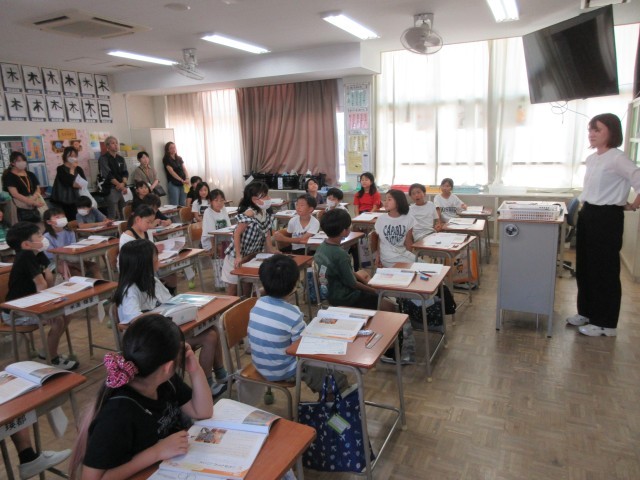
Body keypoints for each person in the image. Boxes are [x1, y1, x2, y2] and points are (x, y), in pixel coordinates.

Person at [69, 314, 213, 479]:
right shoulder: (117, 414)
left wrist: (195, 370)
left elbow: (203, 411)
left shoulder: (165, 381)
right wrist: (156, 452)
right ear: (168, 366)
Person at [113, 240, 227, 396]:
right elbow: (134, 320)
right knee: (210, 336)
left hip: (166, 332)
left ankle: (221, 373)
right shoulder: (129, 290)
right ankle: (207, 385)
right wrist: (161, 315)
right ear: (143, 264)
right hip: (150, 343)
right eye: (155, 259)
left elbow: (170, 301)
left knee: (212, 328)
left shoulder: (151, 279)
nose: (158, 261)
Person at [566, 113, 640, 337]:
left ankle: (606, 323)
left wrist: (632, 205)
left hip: (607, 218)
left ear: (612, 132)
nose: (592, 134)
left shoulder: (617, 158)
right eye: (590, 129)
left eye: (597, 130)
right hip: (588, 213)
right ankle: (586, 312)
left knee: (604, 270)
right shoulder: (593, 158)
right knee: (585, 267)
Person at [248, 254, 348, 394]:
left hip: (260, 365)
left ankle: (324, 395)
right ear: (294, 286)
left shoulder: (257, 304)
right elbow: (302, 349)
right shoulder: (292, 314)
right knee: (335, 376)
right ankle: (329, 401)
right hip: (283, 371)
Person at [3, 222, 78, 369]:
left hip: (31, 303)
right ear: (26, 244)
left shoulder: (37, 252)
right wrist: (46, 309)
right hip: (15, 312)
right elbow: (42, 284)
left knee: (68, 313)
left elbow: (49, 277)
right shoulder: (25, 255)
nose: (43, 238)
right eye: (38, 235)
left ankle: (47, 351)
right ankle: (53, 359)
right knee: (57, 321)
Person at [314, 209, 394, 311]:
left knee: (363, 274)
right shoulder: (340, 254)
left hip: (328, 291)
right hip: (344, 297)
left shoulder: (321, 247)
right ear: (344, 231)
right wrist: (374, 291)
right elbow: (353, 284)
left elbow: (348, 273)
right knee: (390, 306)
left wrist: (367, 284)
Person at [221, 182, 279, 296]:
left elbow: (267, 233)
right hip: (236, 257)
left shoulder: (265, 213)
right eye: (265, 196)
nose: (269, 198)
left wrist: (272, 249)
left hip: (251, 256)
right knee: (233, 290)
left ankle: (247, 306)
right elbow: (236, 234)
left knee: (247, 289)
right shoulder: (249, 213)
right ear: (254, 199)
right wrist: (238, 256)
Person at [43, 208, 102, 279]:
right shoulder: (46, 237)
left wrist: (74, 261)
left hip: (72, 259)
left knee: (94, 266)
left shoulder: (69, 232)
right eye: (57, 217)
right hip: (56, 263)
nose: (61, 219)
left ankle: (100, 284)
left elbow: (73, 248)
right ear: (49, 222)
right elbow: (51, 256)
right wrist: (71, 263)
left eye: (63, 216)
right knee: (75, 272)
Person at [372, 189, 416, 267]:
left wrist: (410, 256)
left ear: (399, 202)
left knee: (424, 266)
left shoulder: (409, 219)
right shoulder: (381, 219)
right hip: (387, 257)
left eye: (389, 199)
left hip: (402, 254)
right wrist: (378, 256)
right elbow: (380, 240)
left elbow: (408, 241)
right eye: (385, 200)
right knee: (420, 267)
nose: (385, 202)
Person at [2, 151, 44, 223]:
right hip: (19, 205)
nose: (23, 162)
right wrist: (30, 201)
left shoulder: (30, 174)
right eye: (19, 161)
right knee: (23, 226)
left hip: (35, 201)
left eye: (24, 160)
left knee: (40, 223)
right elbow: (15, 194)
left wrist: (33, 198)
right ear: (12, 163)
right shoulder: (9, 176)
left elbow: (38, 189)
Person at [51, 146, 86, 221]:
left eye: (75, 155)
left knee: (79, 220)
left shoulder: (79, 169)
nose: (73, 157)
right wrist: (72, 169)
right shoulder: (60, 169)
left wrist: (78, 184)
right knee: (70, 221)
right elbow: (70, 182)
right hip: (65, 200)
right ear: (65, 156)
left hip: (78, 199)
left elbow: (83, 183)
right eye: (70, 155)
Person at [98, 136, 129, 220]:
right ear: (107, 146)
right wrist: (119, 185)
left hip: (122, 188)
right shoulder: (103, 158)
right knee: (114, 214)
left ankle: (125, 227)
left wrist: (123, 183)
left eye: (116, 143)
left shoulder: (121, 158)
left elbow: (125, 172)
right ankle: (114, 229)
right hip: (111, 188)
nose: (116, 145)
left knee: (124, 212)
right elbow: (108, 175)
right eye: (113, 143)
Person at [162, 142, 190, 206]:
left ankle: (182, 213)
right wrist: (181, 180)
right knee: (175, 204)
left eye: (174, 147)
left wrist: (187, 178)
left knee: (183, 203)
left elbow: (184, 169)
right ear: (168, 150)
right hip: (173, 183)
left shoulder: (179, 158)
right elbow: (172, 172)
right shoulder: (166, 159)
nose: (173, 149)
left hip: (183, 183)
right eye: (171, 148)